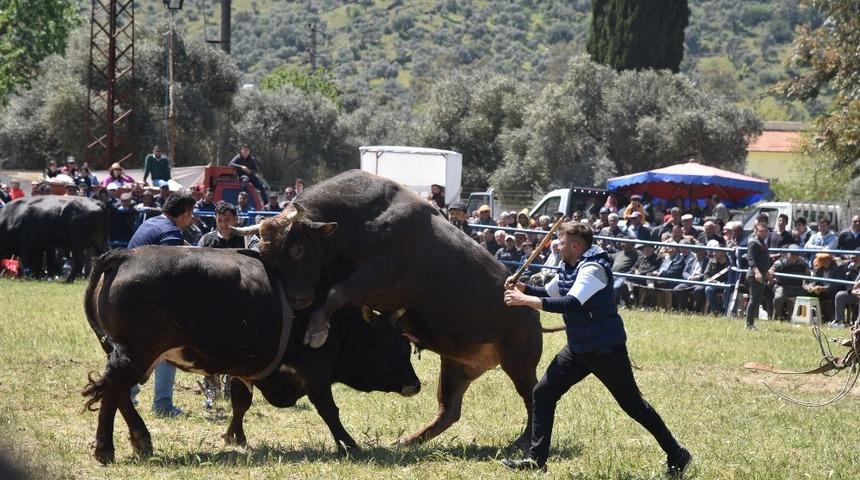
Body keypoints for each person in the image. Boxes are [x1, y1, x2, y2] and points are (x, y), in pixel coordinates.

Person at [501, 222, 691, 475]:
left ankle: (678, 454)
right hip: (579, 349)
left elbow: (571, 302)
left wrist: (524, 301)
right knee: (543, 393)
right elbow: (548, 292)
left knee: (633, 406)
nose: (557, 244)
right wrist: (525, 289)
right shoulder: (568, 266)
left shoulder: (593, 269)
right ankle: (537, 459)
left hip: (605, 350)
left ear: (576, 245)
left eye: (561, 241)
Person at [127, 191, 196, 417]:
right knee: (167, 346)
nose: (192, 218)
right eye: (191, 214)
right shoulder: (170, 231)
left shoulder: (154, 223)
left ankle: (128, 394)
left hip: (130, 293)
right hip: (148, 299)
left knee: (134, 349)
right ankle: (163, 404)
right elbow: (175, 270)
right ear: (184, 214)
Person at [770, 245, 810, 320]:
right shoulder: (781, 261)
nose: (795, 256)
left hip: (797, 287)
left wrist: (807, 284)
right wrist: (772, 271)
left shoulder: (803, 263)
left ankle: (795, 319)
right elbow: (772, 269)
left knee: (805, 296)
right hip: (782, 287)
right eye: (792, 253)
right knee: (778, 298)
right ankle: (779, 316)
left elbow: (807, 275)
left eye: (797, 254)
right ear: (787, 253)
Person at [746, 223, 773, 330]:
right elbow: (751, 259)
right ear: (756, 231)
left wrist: (767, 272)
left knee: (760, 298)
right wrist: (757, 272)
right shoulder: (754, 243)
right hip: (755, 275)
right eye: (761, 231)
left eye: (765, 231)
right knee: (754, 299)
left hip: (762, 274)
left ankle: (769, 317)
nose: (764, 233)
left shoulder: (762, 243)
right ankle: (749, 324)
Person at [804, 252, 840, 324]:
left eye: (827, 259)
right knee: (809, 293)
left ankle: (833, 320)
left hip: (834, 290)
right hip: (822, 291)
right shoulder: (819, 268)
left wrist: (824, 288)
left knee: (836, 295)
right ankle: (811, 318)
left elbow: (838, 284)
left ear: (831, 259)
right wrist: (811, 287)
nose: (825, 261)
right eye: (822, 260)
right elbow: (815, 281)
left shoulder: (838, 267)